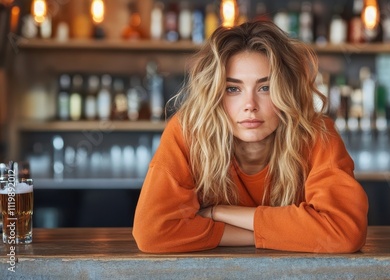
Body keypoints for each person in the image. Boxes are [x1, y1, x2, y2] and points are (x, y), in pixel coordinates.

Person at [133, 20, 368, 253]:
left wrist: (219, 212)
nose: (250, 105)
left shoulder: (316, 132)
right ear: (215, 94)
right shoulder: (188, 132)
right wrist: (275, 234)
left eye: (265, 87)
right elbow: (153, 232)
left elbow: (344, 232)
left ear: (287, 90)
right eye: (233, 89)